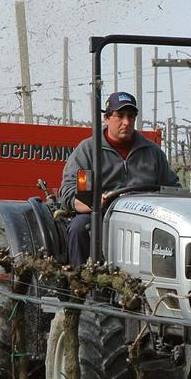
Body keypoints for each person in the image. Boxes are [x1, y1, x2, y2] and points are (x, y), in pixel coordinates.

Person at [60, 91, 180, 266]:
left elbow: (172, 188)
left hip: (145, 217)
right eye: (120, 116)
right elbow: (72, 194)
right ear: (107, 118)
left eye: (131, 116)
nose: (126, 122)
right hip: (102, 215)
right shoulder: (88, 152)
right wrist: (95, 202)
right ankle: (81, 284)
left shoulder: (152, 152)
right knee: (80, 227)